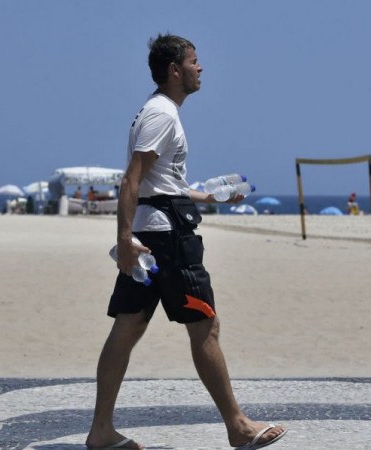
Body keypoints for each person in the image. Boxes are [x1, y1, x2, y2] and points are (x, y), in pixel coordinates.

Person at [86, 33, 287, 449]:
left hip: (151, 233)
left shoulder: (158, 111)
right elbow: (131, 179)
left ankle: (100, 431)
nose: (201, 68)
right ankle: (238, 427)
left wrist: (207, 196)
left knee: (127, 327)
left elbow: (160, 185)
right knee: (205, 326)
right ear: (174, 70)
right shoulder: (162, 115)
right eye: (194, 62)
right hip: (165, 241)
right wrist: (123, 239)